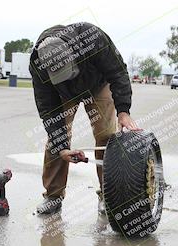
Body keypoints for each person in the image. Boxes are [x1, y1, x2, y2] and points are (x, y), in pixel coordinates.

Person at [29, 22, 140, 214]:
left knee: (106, 137)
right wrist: (62, 147)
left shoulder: (92, 38)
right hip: (62, 94)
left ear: (73, 53)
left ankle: (108, 196)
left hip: (97, 85)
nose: (66, 77)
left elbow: (118, 72)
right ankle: (53, 196)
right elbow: (48, 108)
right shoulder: (38, 64)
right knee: (56, 141)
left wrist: (123, 111)